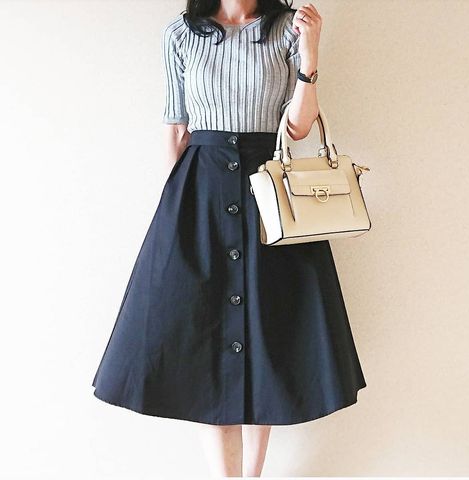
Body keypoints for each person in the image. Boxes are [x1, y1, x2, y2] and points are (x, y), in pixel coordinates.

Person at [92, 1, 367, 476]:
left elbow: (298, 127)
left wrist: (311, 54)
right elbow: (176, 128)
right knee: (202, 336)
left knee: (268, 336)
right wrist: (177, 210)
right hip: (198, 190)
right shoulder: (181, 33)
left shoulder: (288, 29)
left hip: (269, 193)